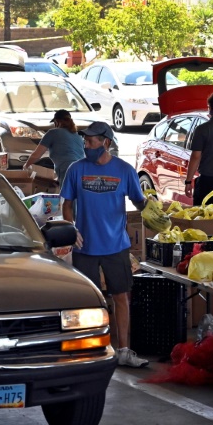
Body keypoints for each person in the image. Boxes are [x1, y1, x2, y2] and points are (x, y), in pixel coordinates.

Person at [61, 121, 149, 368]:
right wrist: (71, 229)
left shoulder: (124, 170)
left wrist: (155, 212)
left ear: (106, 143)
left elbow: (139, 202)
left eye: (90, 141)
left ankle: (123, 350)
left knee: (121, 297)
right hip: (84, 248)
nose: (85, 145)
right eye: (85, 141)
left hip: (116, 246)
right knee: (88, 301)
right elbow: (66, 203)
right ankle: (90, 349)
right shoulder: (76, 169)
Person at [23, 109, 84, 185]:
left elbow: (36, 155)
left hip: (67, 169)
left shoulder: (53, 133)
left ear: (57, 122)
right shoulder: (78, 136)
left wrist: (26, 166)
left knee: (67, 195)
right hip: (83, 170)